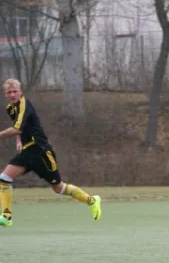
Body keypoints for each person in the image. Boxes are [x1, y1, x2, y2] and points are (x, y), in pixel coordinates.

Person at [0, 78, 101, 227]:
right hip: (28, 151)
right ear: (5, 95)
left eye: (15, 91)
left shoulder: (24, 104)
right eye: (9, 92)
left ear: (20, 92)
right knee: (4, 179)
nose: (13, 94)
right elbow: (19, 128)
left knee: (58, 187)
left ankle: (92, 201)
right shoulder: (11, 107)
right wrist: (19, 141)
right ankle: (7, 216)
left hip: (40, 150)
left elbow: (17, 128)